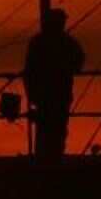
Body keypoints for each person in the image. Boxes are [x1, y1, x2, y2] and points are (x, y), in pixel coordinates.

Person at [23, 8, 85, 160]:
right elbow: (79, 63)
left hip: (44, 96)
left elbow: (28, 71)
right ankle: (54, 158)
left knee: (45, 130)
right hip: (59, 94)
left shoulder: (37, 42)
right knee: (58, 130)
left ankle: (45, 159)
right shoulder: (67, 43)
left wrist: (31, 94)